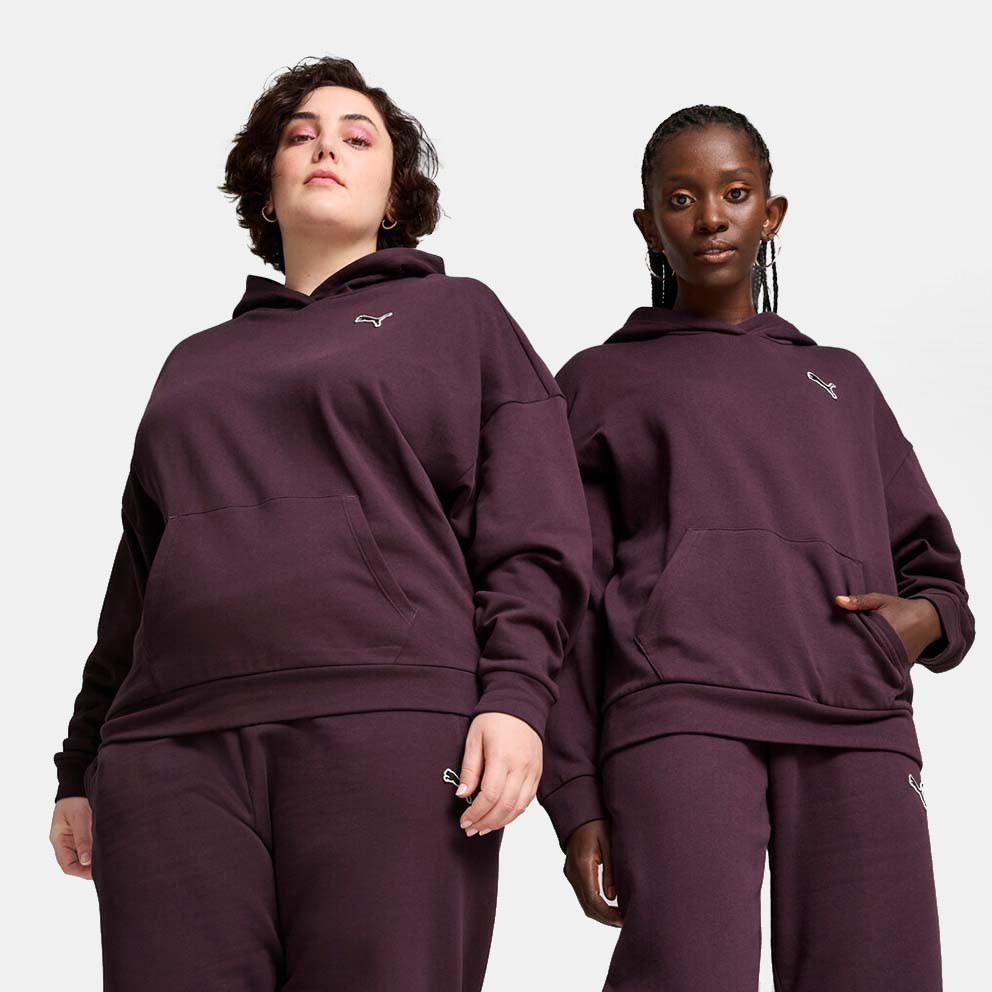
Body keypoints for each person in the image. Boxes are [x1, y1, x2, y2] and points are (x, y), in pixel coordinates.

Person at [49, 56, 591, 991]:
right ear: (266, 188)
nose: (325, 149)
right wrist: (80, 761)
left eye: (356, 136)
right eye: (300, 136)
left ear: (396, 193)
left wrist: (516, 698)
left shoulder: (458, 315)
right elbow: (140, 574)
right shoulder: (194, 362)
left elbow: (534, 533)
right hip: (170, 750)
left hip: (386, 725)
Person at [537, 104, 975, 991]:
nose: (710, 218)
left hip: (856, 718)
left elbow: (940, 577)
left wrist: (914, 626)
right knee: (686, 974)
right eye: (682, 198)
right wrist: (574, 797)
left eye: (735, 194)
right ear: (648, 224)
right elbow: (559, 607)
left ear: (771, 213)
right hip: (679, 713)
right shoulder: (597, 383)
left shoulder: (840, 380)